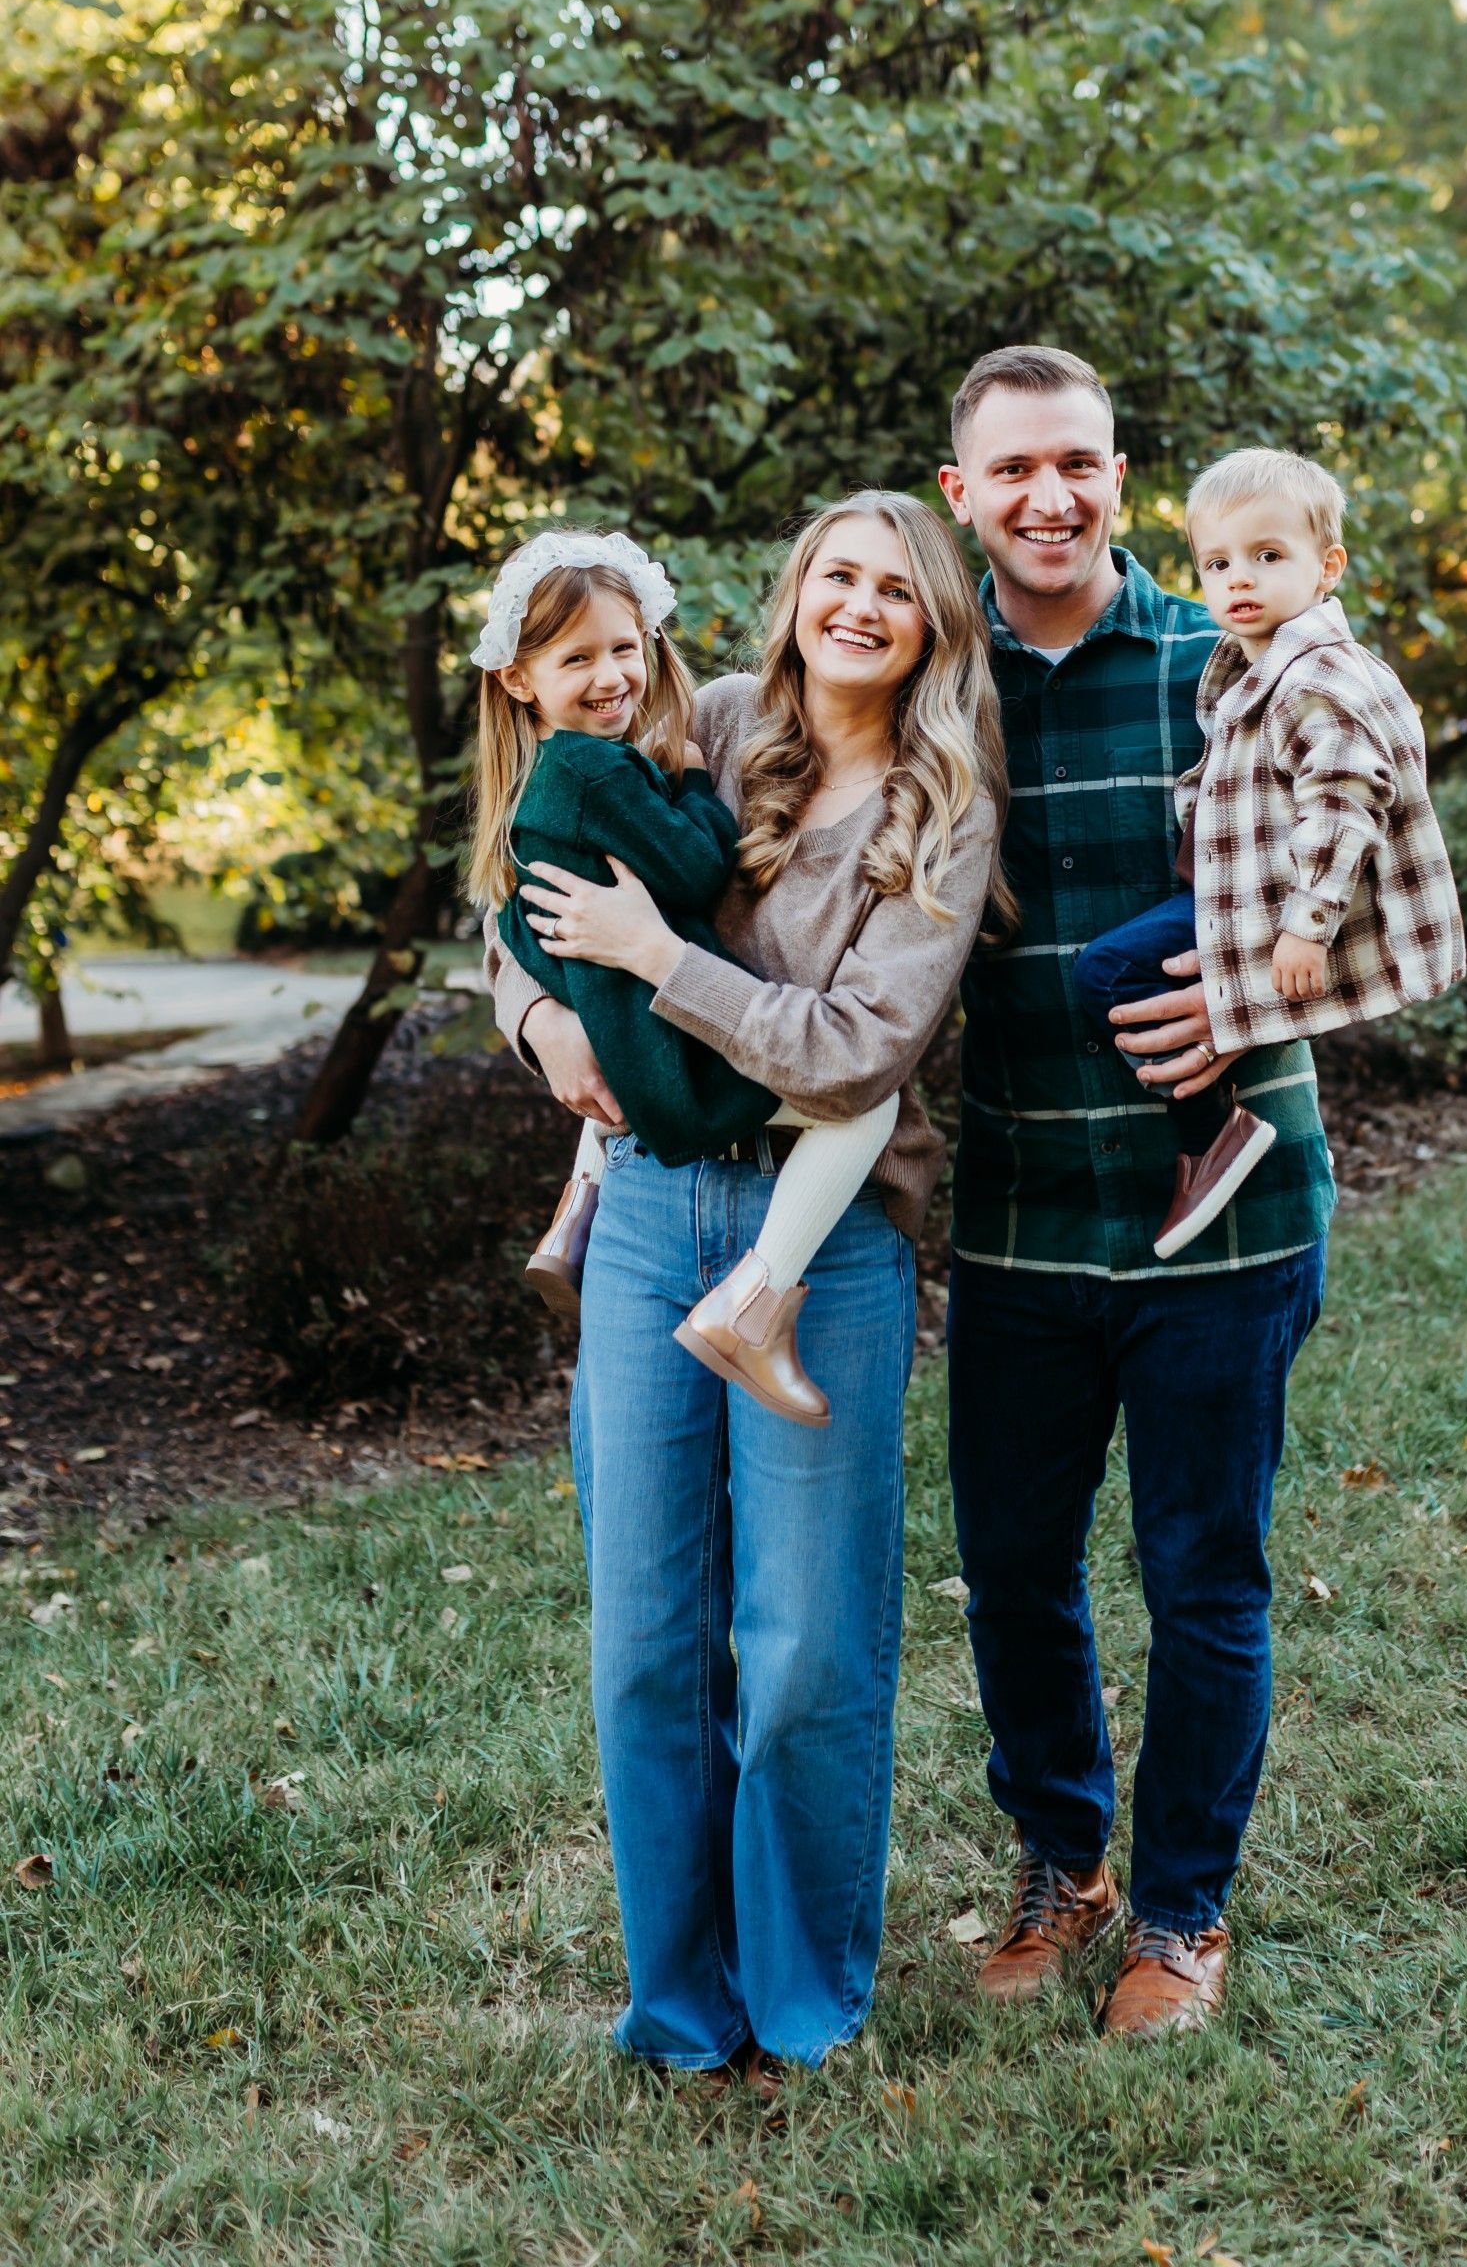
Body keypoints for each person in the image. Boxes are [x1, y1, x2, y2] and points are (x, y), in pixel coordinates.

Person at [484, 490, 1008, 2076]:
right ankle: (682, 2006)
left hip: (824, 1245)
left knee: (800, 1659)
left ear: (931, 626)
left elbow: (860, 1051)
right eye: (833, 577)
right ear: (791, 596)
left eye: (894, 589)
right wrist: (547, 1026)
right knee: (648, 1640)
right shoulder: (701, 722)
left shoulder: (946, 806)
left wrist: (662, 966)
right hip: (647, 1215)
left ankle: (803, 2000)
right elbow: (527, 902)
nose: (858, 606)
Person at [936, 345, 1337, 2042]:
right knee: (1016, 1568)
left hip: (1226, 1210)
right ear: (962, 493)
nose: (1051, 495)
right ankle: (1062, 1860)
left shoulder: (1227, 657)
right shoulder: (927, 687)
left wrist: (1259, 995)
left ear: (1120, 470)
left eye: (1080, 461)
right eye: (1014, 467)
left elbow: (1378, 864)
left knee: (1204, 1575)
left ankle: (1181, 1908)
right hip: (1020, 1211)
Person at [466, 526, 897, 1422]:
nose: (611, 675)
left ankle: (578, 1202)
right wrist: (698, 787)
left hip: (621, 1034)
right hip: (659, 1050)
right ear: (518, 679)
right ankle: (758, 1302)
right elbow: (700, 869)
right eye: (576, 658)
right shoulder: (596, 769)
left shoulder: (554, 775)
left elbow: (521, 916)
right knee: (866, 1102)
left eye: (625, 648)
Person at [1070, 447, 1464, 1261]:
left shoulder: (1314, 674)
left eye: (1267, 556)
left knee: (1107, 972)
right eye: (1217, 563)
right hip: (1230, 897)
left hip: (1267, 911)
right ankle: (1212, 1132)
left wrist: (1306, 925)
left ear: (1328, 568)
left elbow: (1348, 795)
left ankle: (1212, 1139)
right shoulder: (1257, 665)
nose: (1238, 579)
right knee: (1122, 975)